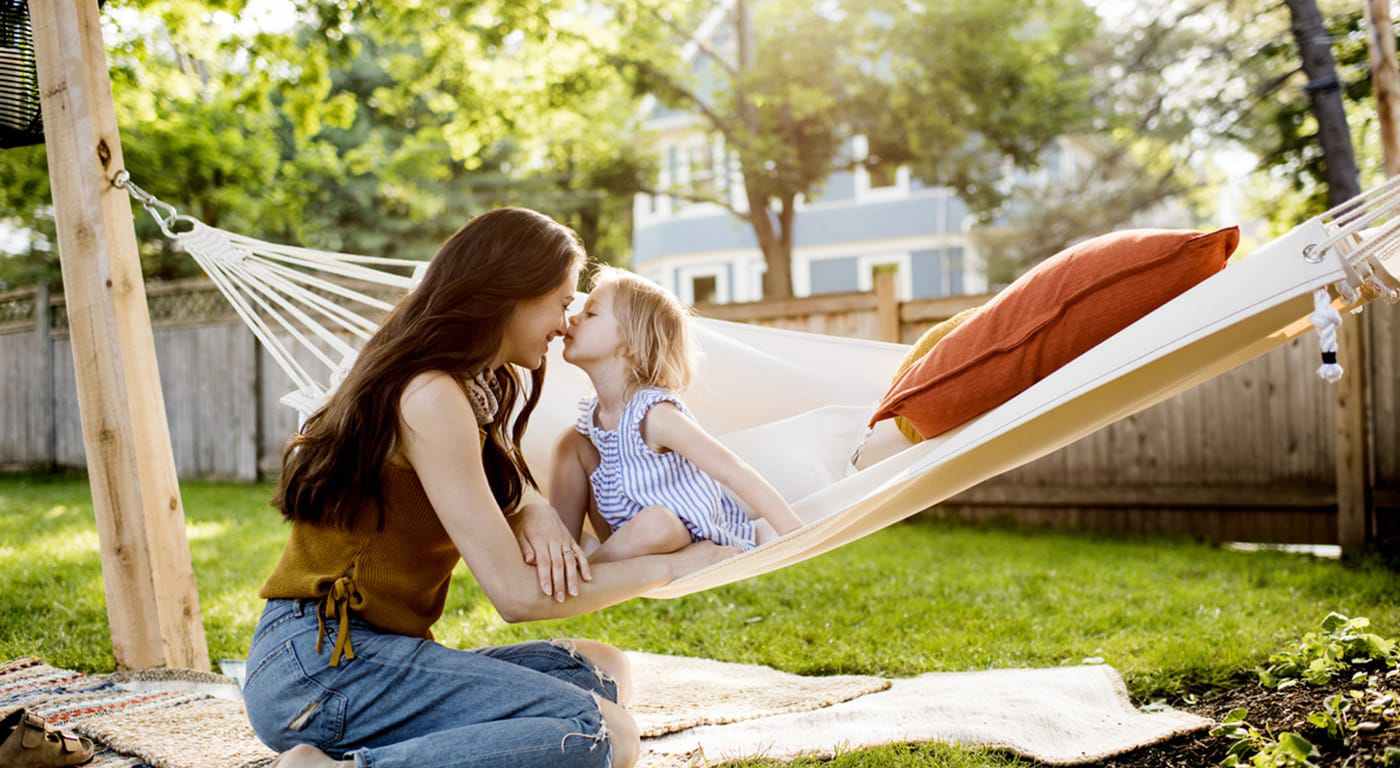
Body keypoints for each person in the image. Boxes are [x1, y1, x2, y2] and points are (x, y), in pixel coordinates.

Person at [241, 208, 735, 768]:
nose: (564, 321)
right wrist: (675, 567)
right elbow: (517, 596)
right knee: (603, 735)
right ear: (512, 295)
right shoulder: (432, 394)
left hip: (363, 654)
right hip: (323, 668)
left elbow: (497, 486)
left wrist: (532, 507)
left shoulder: (473, 390)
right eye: (560, 300)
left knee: (601, 669)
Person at [550, 267, 803, 564]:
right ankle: (559, 556)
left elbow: (732, 469)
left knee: (657, 522)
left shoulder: (655, 414)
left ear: (631, 341)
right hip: (625, 538)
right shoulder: (590, 423)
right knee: (569, 444)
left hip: (686, 532)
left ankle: (587, 573)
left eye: (591, 314)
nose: (575, 318)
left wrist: (795, 534)